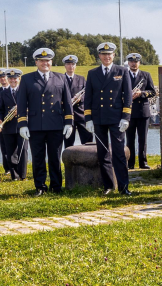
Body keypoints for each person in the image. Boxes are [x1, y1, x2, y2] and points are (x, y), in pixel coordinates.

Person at [85, 42, 135, 195]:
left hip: (116, 118)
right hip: (99, 118)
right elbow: (88, 97)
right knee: (103, 153)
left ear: (114, 55)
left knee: (119, 153)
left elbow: (128, 96)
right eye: (103, 54)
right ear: (99, 56)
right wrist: (88, 119)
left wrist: (126, 117)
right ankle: (108, 186)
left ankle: (123, 186)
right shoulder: (92, 73)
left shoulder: (122, 71)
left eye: (109, 54)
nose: (107, 57)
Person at [16, 49, 68, 195]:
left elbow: (67, 102)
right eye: (42, 61)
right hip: (35, 125)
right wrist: (22, 124)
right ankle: (40, 186)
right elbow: (21, 104)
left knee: (55, 158)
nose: (45, 63)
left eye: (48, 60)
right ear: (36, 62)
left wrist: (69, 122)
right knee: (38, 158)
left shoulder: (60, 78)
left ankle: (56, 186)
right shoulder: (27, 79)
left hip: (55, 124)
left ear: (51, 62)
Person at [125, 54, 154, 169]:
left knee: (143, 139)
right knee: (130, 139)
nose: (134, 63)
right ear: (128, 63)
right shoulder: (124, 75)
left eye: (136, 61)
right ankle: (130, 163)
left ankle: (143, 162)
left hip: (143, 111)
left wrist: (141, 94)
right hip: (129, 112)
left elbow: (152, 91)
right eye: (131, 61)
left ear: (139, 63)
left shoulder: (146, 75)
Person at [60, 54, 88, 147]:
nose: (70, 66)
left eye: (73, 64)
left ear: (75, 66)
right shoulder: (60, 79)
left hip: (80, 114)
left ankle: (87, 161)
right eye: (68, 64)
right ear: (65, 66)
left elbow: (86, 94)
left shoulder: (81, 78)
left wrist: (80, 98)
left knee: (87, 141)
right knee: (68, 143)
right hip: (66, 115)